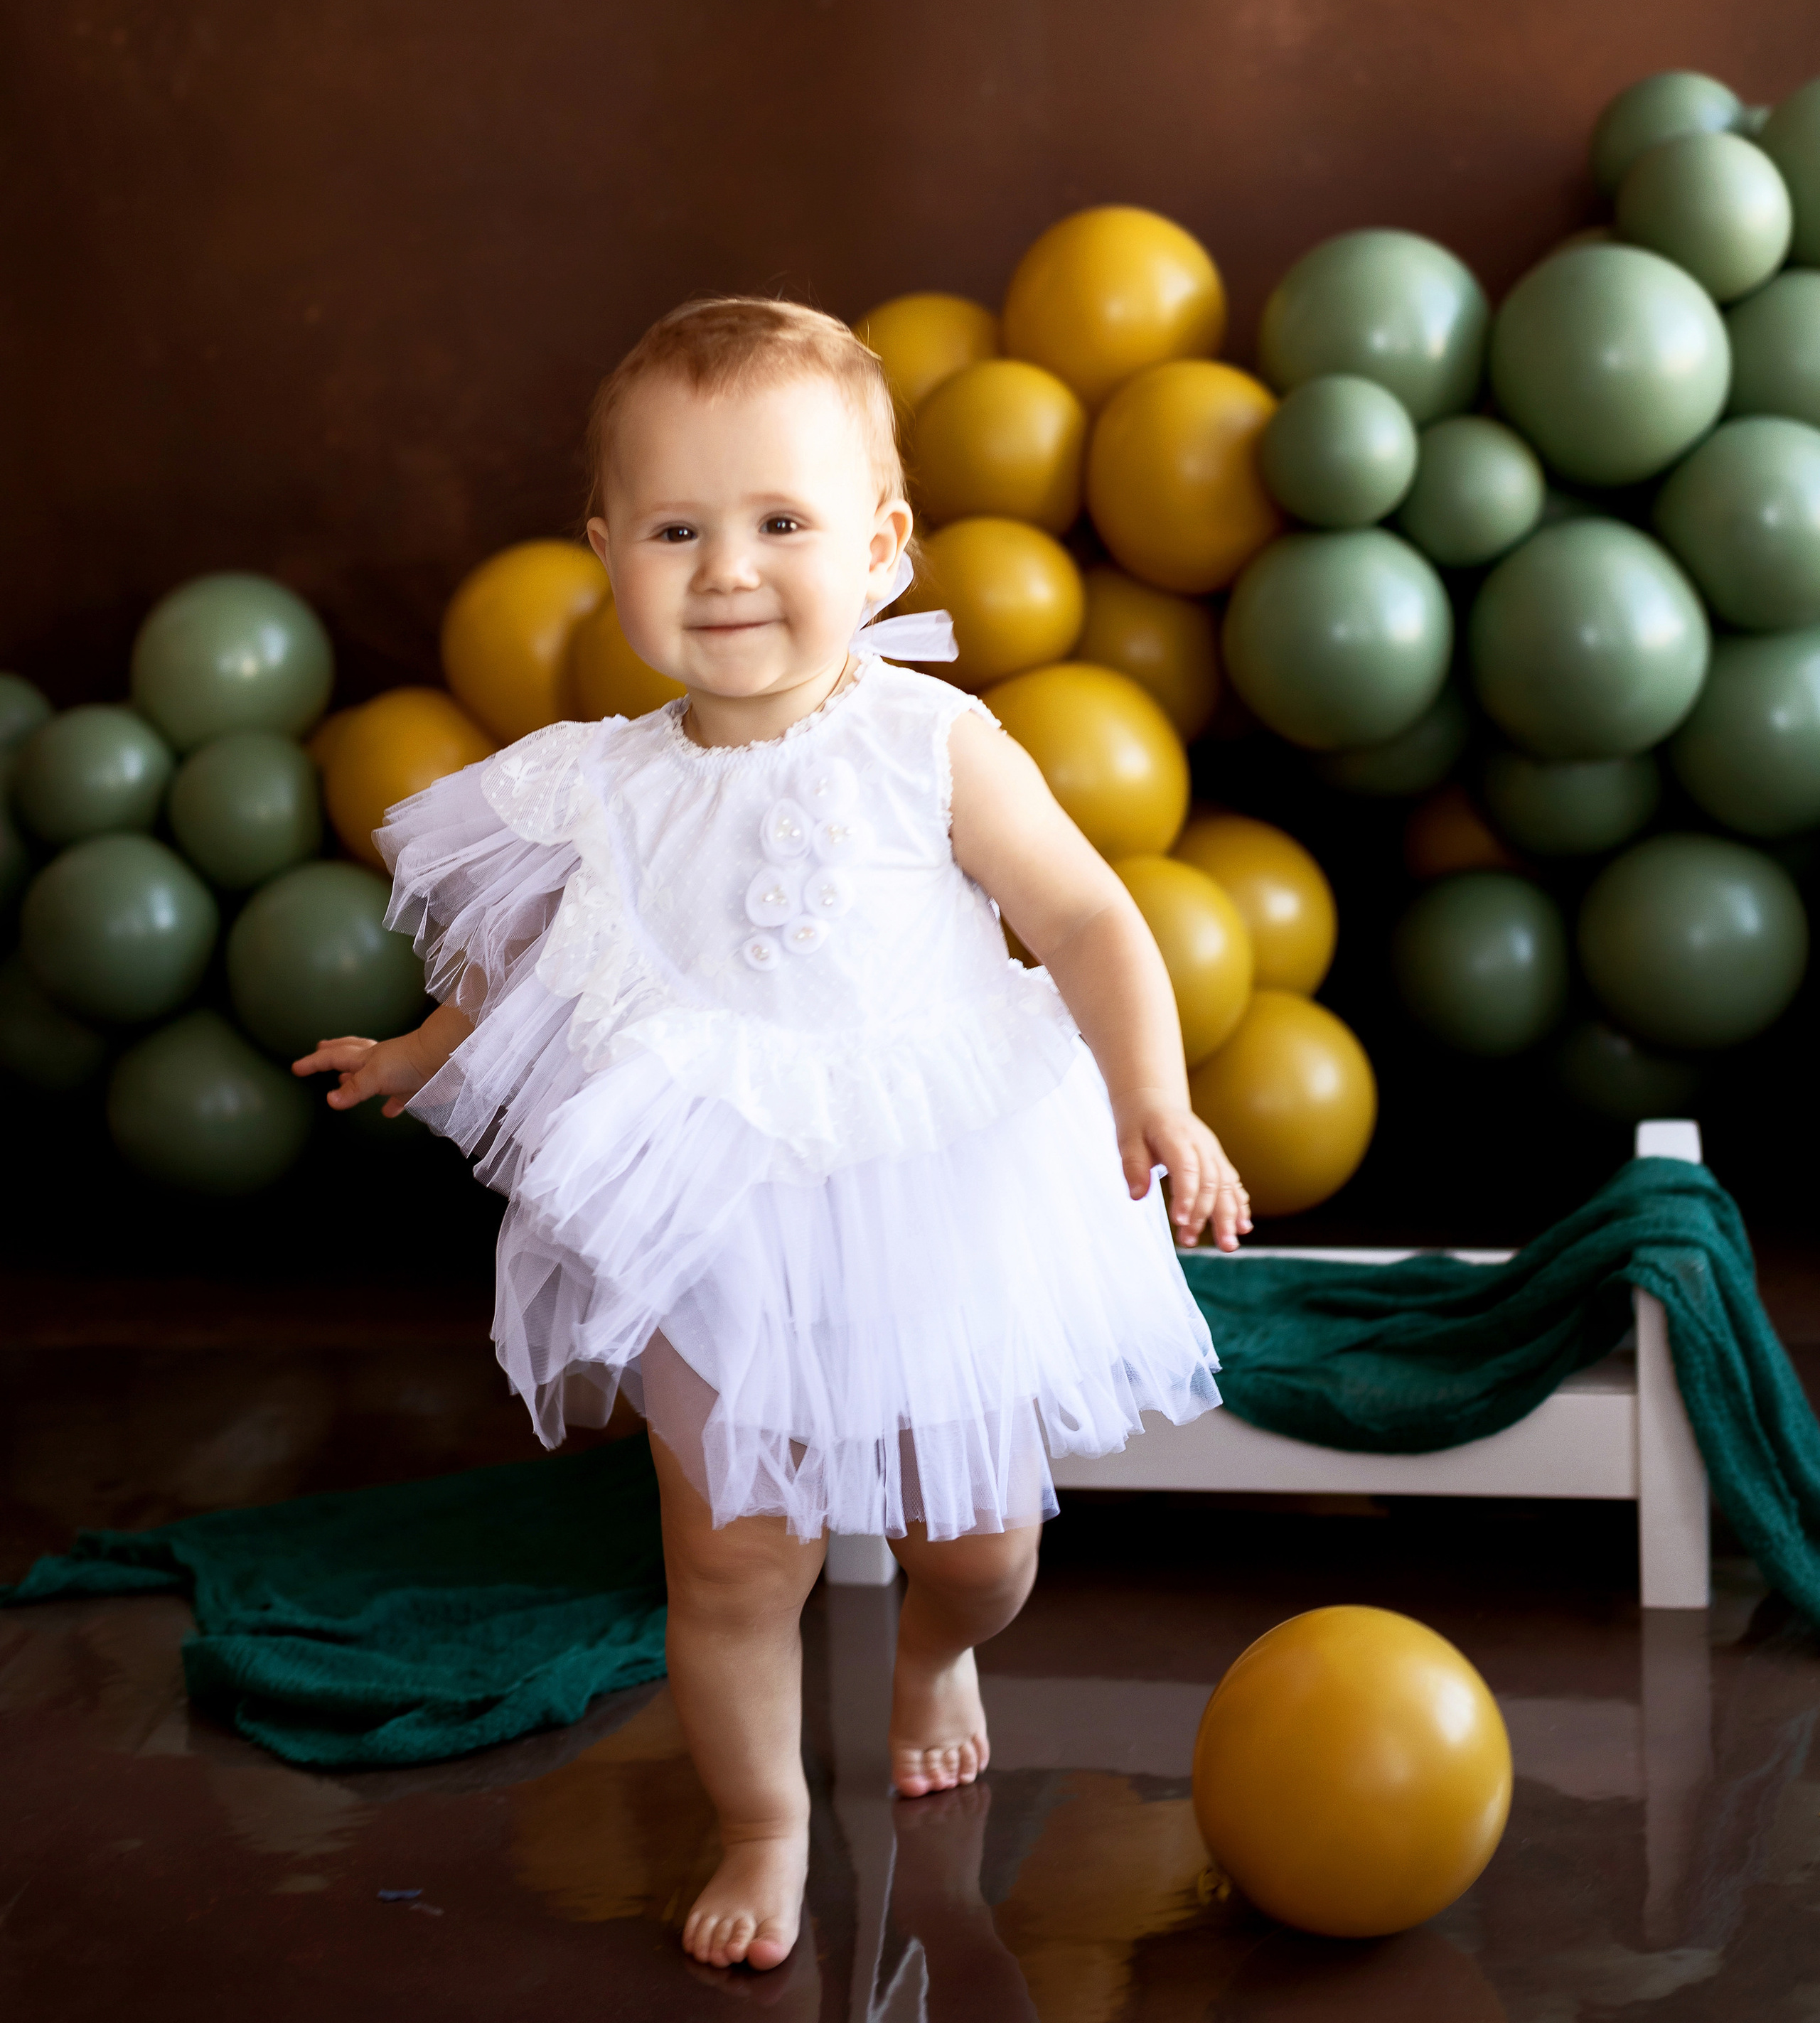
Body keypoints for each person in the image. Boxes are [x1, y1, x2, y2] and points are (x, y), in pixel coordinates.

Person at [295, 296, 1251, 1973]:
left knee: (981, 1546)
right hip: (719, 1216)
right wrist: (421, 1053)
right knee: (734, 1564)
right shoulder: (598, 783)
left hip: (936, 1190)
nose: (727, 568)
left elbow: (1091, 919)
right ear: (609, 555)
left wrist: (1150, 1093)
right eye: (677, 529)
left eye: (780, 523)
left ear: (880, 541)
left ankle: (938, 1654)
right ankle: (762, 1820)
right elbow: (536, 966)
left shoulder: (928, 742)